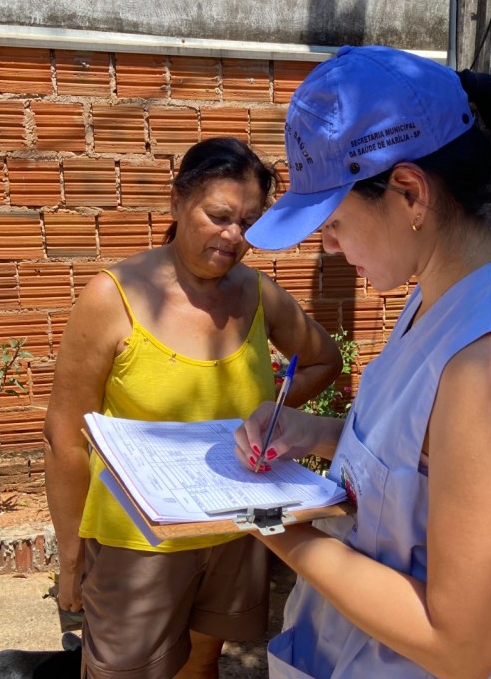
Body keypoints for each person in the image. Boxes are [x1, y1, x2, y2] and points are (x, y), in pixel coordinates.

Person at [234, 45, 491, 679]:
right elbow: (426, 465)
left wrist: (267, 521)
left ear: (409, 194)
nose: (329, 246)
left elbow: (459, 645)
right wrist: (311, 433)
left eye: (335, 221)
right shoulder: (437, 293)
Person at [44, 136, 343, 679]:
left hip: (237, 527)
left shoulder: (257, 293)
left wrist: (268, 420)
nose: (234, 236)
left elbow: (324, 360)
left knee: (204, 660)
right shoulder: (112, 298)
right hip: (139, 542)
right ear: (177, 200)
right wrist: (71, 558)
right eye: (219, 216)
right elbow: (65, 437)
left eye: (249, 222)